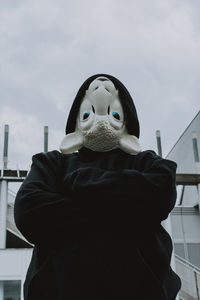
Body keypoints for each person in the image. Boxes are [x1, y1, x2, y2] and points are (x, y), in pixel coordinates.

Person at [14, 74, 181, 299]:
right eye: (86, 114)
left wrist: (82, 180)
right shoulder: (51, 163)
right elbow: (29, 213)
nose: (100, 119)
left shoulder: (147, 163)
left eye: (114, 115)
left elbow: (160, 194)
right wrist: (125, 211)